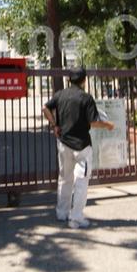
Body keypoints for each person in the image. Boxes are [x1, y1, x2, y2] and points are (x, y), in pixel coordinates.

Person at [42, 67, 115, 228]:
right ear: (84, 80)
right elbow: (94, 121)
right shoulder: (86, 98)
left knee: (65, 178)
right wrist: (108, 125)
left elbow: (45, 108)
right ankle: (76, 217)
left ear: (69, 80)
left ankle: (62, 213)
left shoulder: (60, 95)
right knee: (81, 181)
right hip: (81, 146)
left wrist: (54, 125)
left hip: (63, 143)